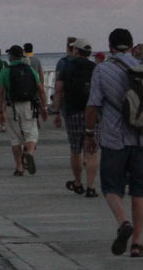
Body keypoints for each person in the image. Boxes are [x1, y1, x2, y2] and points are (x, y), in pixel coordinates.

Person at [86, 27, 143, 258]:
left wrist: (89, 133)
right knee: (140, 190)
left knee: (111, 186)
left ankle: (122, 221)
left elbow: (93, 104)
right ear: (131, 44)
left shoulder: (102, 69)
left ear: (110, 46)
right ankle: (137, 243)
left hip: (114, 137)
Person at [53, 37, 100, 198]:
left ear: (76, 51)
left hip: (72, 111)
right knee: (92, 151)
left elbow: (58, 89)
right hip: (92, 112)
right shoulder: (95, 67)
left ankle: (78, 182)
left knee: (75, 149)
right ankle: (91, 186)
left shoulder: (67, 67)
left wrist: (56, 111)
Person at [0, 44, 48, 176]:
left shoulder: (5, 71)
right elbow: (41, 89)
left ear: (11, 56)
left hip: (12, 107)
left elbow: (0, 92)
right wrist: (44, 106)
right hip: (29, 105)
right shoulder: (30, 70)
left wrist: (0, 110)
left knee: (15, 138)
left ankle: (19, 167)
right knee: (31, 132)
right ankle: (29, 153)